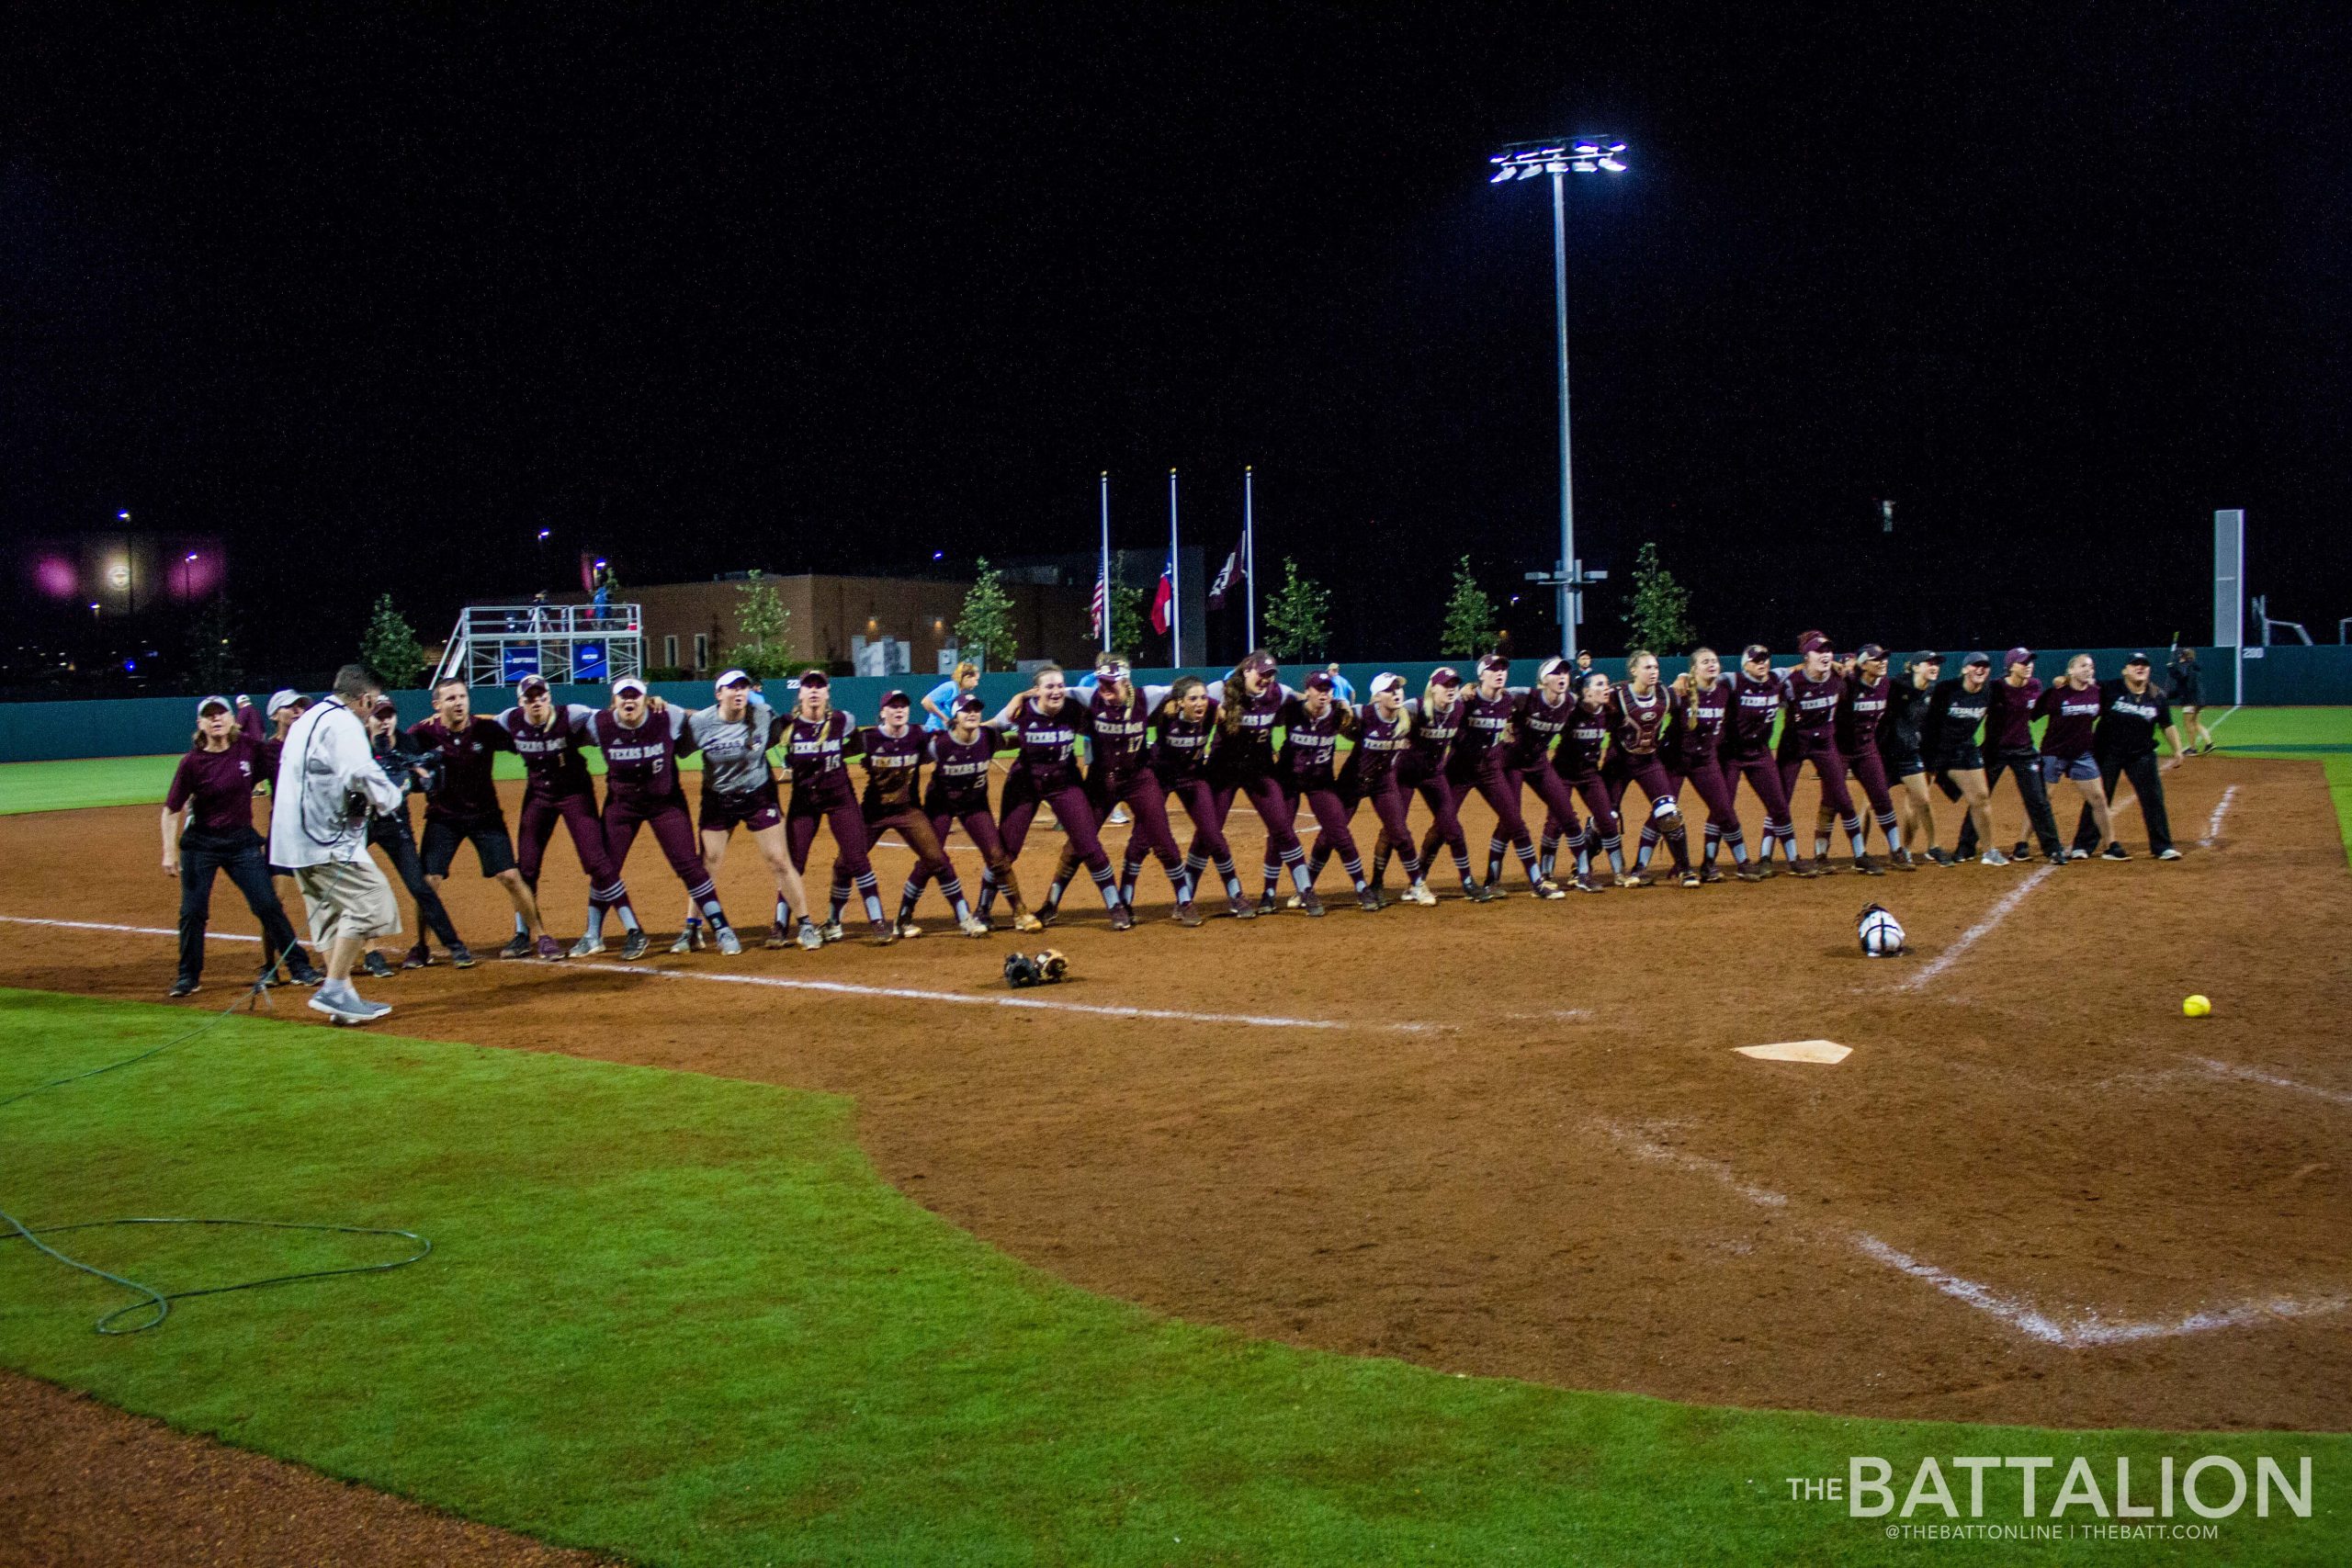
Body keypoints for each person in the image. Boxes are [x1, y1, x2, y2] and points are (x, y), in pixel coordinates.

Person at [268, 664, 407, 1024]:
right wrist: (391, 797)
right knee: (372, 903)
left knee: (330, 915)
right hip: (321, 839)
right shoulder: (344, 723)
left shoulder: (309, 718)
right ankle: (332, 988)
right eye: (373, 702)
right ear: (363, 699)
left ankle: (342, 1000)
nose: (374, 709)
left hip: (292, 840)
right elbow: (360, 772)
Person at [160, 694, 318, 996]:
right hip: (201, 844)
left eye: (222, 714)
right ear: (200, 724)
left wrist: (293, 724)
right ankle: (188, 976)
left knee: (267, 904)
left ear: (233, 719)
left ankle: (299, 967)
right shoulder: (192, 762)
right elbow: (170, 810)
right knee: (193, 911)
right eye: (209, 716)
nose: (216, 719)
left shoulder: (248, 747)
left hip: (241, 842)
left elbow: (281, 753)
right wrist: (170, 851)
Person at [405, 677, 560, 959]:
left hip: (485, 816)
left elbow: (523, 737)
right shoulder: (423, 734)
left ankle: (541, 936)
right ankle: (421, 945)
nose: (458, 703)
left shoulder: (485, 729)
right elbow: (398, 752)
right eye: (450, 699)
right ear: (437, 705)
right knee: (429, 881)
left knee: (511, 876)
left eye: (462, 696)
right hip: (443, 818)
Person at [1042, 657, 1199, 925]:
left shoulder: (1146, 696)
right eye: (1101, 681)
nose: (1103, 687)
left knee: (1162, 838)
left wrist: (1195, 703)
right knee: (1078, 843)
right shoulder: (1088, 696)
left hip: (1140, 778)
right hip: (1101, 780)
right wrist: (1021, 698)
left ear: (1125, 682)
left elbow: (1181, 689)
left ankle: (1184, 901)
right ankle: (1051, 904)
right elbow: (1051, 692)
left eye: (1110, 683)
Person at [591, 676, 740, 956]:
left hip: (665, 803)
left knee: (688, 865)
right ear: (615, 701)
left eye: (636, 695)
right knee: (605, 866)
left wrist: (733, 719)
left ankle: (722, 929)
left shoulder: (667, 715)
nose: (629, 700)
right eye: (624, 696)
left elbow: (698, 719)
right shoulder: (599, 723)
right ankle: (592, 934)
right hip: (622, 805)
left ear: (646, 699)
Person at [675, 669, 820, 952]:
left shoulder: (762, 713)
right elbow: (679, 751)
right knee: (707, 864)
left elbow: (782, 734)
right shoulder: (703, 722)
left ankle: (805, 924)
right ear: (719, 694)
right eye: (732, 688)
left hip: (758, 795)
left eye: (743, 687)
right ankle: (692, 929)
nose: (739, 692)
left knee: (779, 860)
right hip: (718, 798)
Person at [499, 673, 643, 955]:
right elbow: (480, 724)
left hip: (574, 793)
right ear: (521, 702)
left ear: (549, 696)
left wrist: (645, 707)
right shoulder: (510, 720)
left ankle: (634, 929)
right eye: (530, 697)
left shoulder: (572, 715)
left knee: (596, 860)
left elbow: (605, 719)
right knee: (526, 865)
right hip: (538, 796)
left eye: (541, 695)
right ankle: (521, 933)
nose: (536, 701)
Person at [983, 664, 1131, 929]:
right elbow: (991, 727)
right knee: (1006, 849)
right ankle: (983, 909)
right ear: (1036, 690)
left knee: (1088, 844)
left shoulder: (1074, 711)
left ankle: (1115, 906)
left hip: (1064, 782)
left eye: (1060, 686)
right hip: (1025, 782)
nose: (1056, 691)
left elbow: (1107, 724)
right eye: (1049, 686)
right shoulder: (1021, 709)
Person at [834, 690, 989, 938]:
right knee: (844, 863)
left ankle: (964, 918)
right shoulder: (869, 738)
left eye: (903, 706)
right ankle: (833, 922)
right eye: (892, 707)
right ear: (882, 712)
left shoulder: (919, 736)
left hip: (908, 810)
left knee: (937, 859)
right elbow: (836, 752)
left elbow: (942, 748)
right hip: (873, 813)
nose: (899, 710)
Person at [905, 694, 1044, 931]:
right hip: (941, 805)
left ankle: (1020, 911)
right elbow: (913, 759)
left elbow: (1009, 741)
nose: (972, 713)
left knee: (997, 857)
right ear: (955, 716)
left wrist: (1030, 740)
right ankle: (904, 916)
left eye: (976, 709)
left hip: (974, 805)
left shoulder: (989, 738)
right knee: (931, 859)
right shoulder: (940, 744)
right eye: (965, 710)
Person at [781, 671, 894, 942]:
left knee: (857, 857)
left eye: (820, 686)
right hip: (804, 801)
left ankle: (878, 921)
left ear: (828, 692)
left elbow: (855, 741)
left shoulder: (843, 720)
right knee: (794, 863)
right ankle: (780, 924)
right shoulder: (787, 724)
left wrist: (842, 755)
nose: (814, 691)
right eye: (809, 686)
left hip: (840, 797)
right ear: (800, 692)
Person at [1207, 651, 1323, 911]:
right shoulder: (1221, 690)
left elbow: (1304, 700)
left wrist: (1336, 704)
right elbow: (1189, 699)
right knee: (1210, 833)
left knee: (1283, 827)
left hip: (1259, 770)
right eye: (1262, 673)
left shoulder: (1279, 693)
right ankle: (1218, 895)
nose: (1266, 679)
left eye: (1271, 674)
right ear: (1247, 669)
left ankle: (1305, 889)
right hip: (1222, 771)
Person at [1306, 671, 1435, 905]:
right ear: (1376, 697)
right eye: (1389, 689)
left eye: (1398, 688)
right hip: (1351, 783)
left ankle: (1417, 884)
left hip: (1383, 783)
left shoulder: (1408, 718)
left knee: (1400, 833)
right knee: (1330, 835)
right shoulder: (1362, 714)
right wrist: (1338, 704)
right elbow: (1333, 715)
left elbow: (1434, 708)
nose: (1396, 693)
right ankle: (1305, 887)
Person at [362, 699, 471, 971]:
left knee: (420, 886)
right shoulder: (355, 745)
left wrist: (419, 777)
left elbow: (428, 778)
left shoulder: (407, 743)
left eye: (389, 715)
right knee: (356, 886)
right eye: (379, 717)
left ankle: (454, 945)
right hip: (359, 824)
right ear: (368, 720)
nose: (385, 721)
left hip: (396, 824)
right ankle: (370, 951)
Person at [1143, 676, 1255, 918]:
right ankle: (1125, 904)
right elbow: (1141, 705)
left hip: (1193, 778)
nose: (1200, 702)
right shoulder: (1164, 711)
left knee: (1214, 836)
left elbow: (1229, 692)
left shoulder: (1214, 708)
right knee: (1141, 842)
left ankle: (1235, 894)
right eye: (1193, 698)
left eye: (1203, 697)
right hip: (1161, 779)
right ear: (1180, 701)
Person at [1268, 672, 1377, 913]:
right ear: (1307, 691)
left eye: (1328, 688)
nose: (1324, 693)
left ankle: (1361, 887)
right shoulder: (1292, 710)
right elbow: (1268, 715)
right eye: (1319, 688)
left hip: (1321, 782)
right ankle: (1269, 892)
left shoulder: (1338, 714)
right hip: (1288, 781)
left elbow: (1363, 723)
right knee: (1279, 833)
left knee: (1340, 832)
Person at [1457, 655, 1562, 897]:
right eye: (1493, 669)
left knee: (1516, 822)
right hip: (1460, 772)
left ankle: (1537, 883)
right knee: (1445, 828)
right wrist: (1466, 689)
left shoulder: (1508, 698)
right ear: (1481, 674)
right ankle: (1417, 881)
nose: (1500, 672)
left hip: (1491, 771)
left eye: (1503, 668)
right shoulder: (1467, 701)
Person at [2068, 652, 2188, 861]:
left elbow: (2166, 724)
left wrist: (2177, 750)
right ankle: (2083, 846)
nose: (2139, 668)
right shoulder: (2109, 689)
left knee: (2153, 799)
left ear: (2149, 670)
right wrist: (2063, 680)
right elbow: (2082, 689)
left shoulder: (2156, 695)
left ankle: (2162, 847)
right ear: (2125, 670)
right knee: (2098, 798)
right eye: (2134, 665)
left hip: (2141, 754)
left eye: (2144, 665)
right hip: (2107, 752)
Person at [1952, 649, 2064, 867]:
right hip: (1995, 751)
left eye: (2030, 662)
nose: (2029, 666)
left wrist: (2061, 683)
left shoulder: (2035, 686)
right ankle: (1965, 847)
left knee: (2038, 800)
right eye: (2023, 663)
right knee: (1979, 800)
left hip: (2024, 751)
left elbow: (2035, 713)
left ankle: (2053, 849)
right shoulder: (1994, 688)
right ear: (2011, 666)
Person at [1776, 636, 1878, 874]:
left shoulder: (1843, 680)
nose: (1826, 656)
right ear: (1806, 656)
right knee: (1782, 800)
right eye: (1819, 651)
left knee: (1842, 799)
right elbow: (1772, 678)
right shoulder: (1794, 679)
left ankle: (1860, 854)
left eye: (1829, 652)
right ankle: (1768, 857)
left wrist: (1846, 668)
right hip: (1798, 745)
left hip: (1830, 745)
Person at [1662, 648, 1758, 882]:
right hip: (1674, 760)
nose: (1712, 664)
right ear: (1694, 669)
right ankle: (1641, 867)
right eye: (1705, 662)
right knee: (1663, 814)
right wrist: (1681, 679)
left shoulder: (1725, 689)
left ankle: (1742, 862)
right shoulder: (1681, 691)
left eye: (1715, 661)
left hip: (1705, 760)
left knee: (1725, 810)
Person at [1604, 650, 1696, 887]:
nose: (1654, 672)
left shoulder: (1665, 694)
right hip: (1618, 763)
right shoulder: (1617, 695)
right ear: (1633, 671)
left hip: (1648, 761)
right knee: (1605, 817)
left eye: (1655, 667)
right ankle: (1581, 869)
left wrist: (1684, 676)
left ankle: (1685, 869)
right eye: (1647, 668)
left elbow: (1688, 693)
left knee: (1668, 813)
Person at [1719, 645, 1805, 874]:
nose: (1762, 663)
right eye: (1756, 660)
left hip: (1760, 753)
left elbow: (1796, 668)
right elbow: (1703, 679)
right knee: (1722, 807)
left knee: (1779, 806)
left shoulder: (1776, 677)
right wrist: (1682, 676)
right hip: (1731, 755)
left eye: (1765, 659)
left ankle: (1794, 859)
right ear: (1745, 664)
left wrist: (1835, 664)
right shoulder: (1732, 680)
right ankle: (1713, 862)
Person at [1407, 667, 1488, 899]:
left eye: (1454, 684)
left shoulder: (1459, 707)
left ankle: (1467, 881)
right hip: (1407, 774)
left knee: (1452, 827)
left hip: (1434, 774)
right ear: (1433, 687)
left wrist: (1471, 687)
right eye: (1446, 684)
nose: (1451, 688)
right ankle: (1378, 883)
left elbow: (1478, 696)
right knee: (1396, 830)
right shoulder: (1416, 707)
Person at [1544, 671, 1632, 888]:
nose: (1606, 688)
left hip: (1590, 774)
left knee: (1607, 819)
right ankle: (1545, 876)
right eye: (1600, 685)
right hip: (1562, 774)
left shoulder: (1610, 712)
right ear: (1585, 692)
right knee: (1556, 823)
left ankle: (1619, 872)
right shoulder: (1570, 711)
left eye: (1607, 684)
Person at [1920, 652, 2001, 865]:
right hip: (1936, 750)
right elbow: (1929, 725)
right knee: (1919, 799)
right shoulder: (1947, 690)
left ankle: (1989, 851)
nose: (1981, 669)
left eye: (1985, 665)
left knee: (1981, 796)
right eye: (1976, 665)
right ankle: (1910, 850)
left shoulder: (1989, 691)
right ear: (1965, 669)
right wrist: (1929, 759)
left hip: (1965, 749)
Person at [2037, 655, 2119, 860]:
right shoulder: (2057, 693)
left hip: (2082, 754)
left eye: (2091, 666)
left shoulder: (2096, 693)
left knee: (2099, 798)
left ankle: (2111, 845)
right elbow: (2034, 713)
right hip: (2053, 753)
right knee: (2042, 799)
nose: (2088, 669)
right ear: (2070, 671)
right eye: (2083, 666)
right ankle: (2022, 843)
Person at [1877, 652, 1942, 868]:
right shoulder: (1896, 685)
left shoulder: (1933, 690)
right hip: (1885, 754)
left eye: (1936, 664)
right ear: (1915, 667)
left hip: (1911, 753)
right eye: (1929, 663)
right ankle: (1861, 853)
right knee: (1870, 805)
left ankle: (1904, 849)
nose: (1934, 667)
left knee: (1921, 799)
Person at [2168, 645, 2215, 754]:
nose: (2179, 658)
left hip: (2190, 700)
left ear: (2184, 657)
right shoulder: (2194, 667)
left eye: (2181, 657)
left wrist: (2171, 668)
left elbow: (2181, 675)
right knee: (2196, 723)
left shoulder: (2185, 666)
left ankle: (2193, 748)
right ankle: (2209, 743)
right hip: (2199, 699)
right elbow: (2181, 683)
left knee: (2188, 723)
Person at [922, 660, 981, 732]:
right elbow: (925, 702)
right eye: (976, 680)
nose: (976, 684)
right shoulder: (950, 686)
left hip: (945, 733)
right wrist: (945, 719)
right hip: (933, 731)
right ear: (967, 677)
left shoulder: (961, 694)